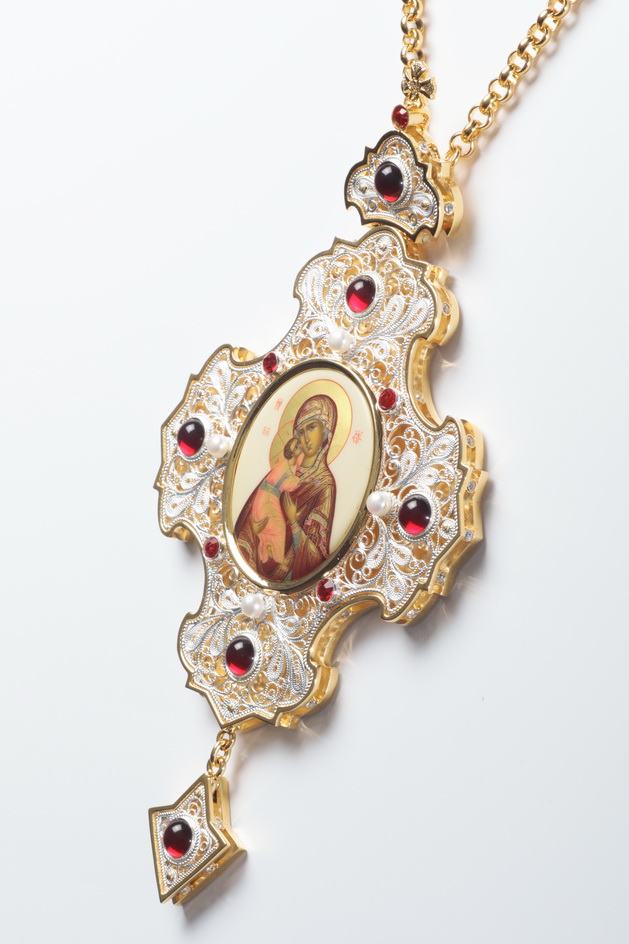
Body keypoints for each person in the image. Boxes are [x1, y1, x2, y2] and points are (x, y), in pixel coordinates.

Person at [234, 394, 338, 583]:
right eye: (301, 432)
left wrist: (293, 522)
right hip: (252, 567)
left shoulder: (324, 484)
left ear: (326, 430)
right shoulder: (282, 469)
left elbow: (316, 556)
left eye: (312, 427)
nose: (305, 438)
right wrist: (254, 531)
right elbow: (252, 513)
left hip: (291, 577)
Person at [250, 437, 303, 566]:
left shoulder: (292, 465)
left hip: (269, 497)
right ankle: (278, 560)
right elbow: (286, 484)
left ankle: (269, 549)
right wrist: (300, 481)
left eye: (299, 445)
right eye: (296, 446)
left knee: (273, 527)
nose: (299, 447)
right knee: (279, 527)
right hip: (267, 498)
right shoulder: (284, 465)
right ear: (289, 451)